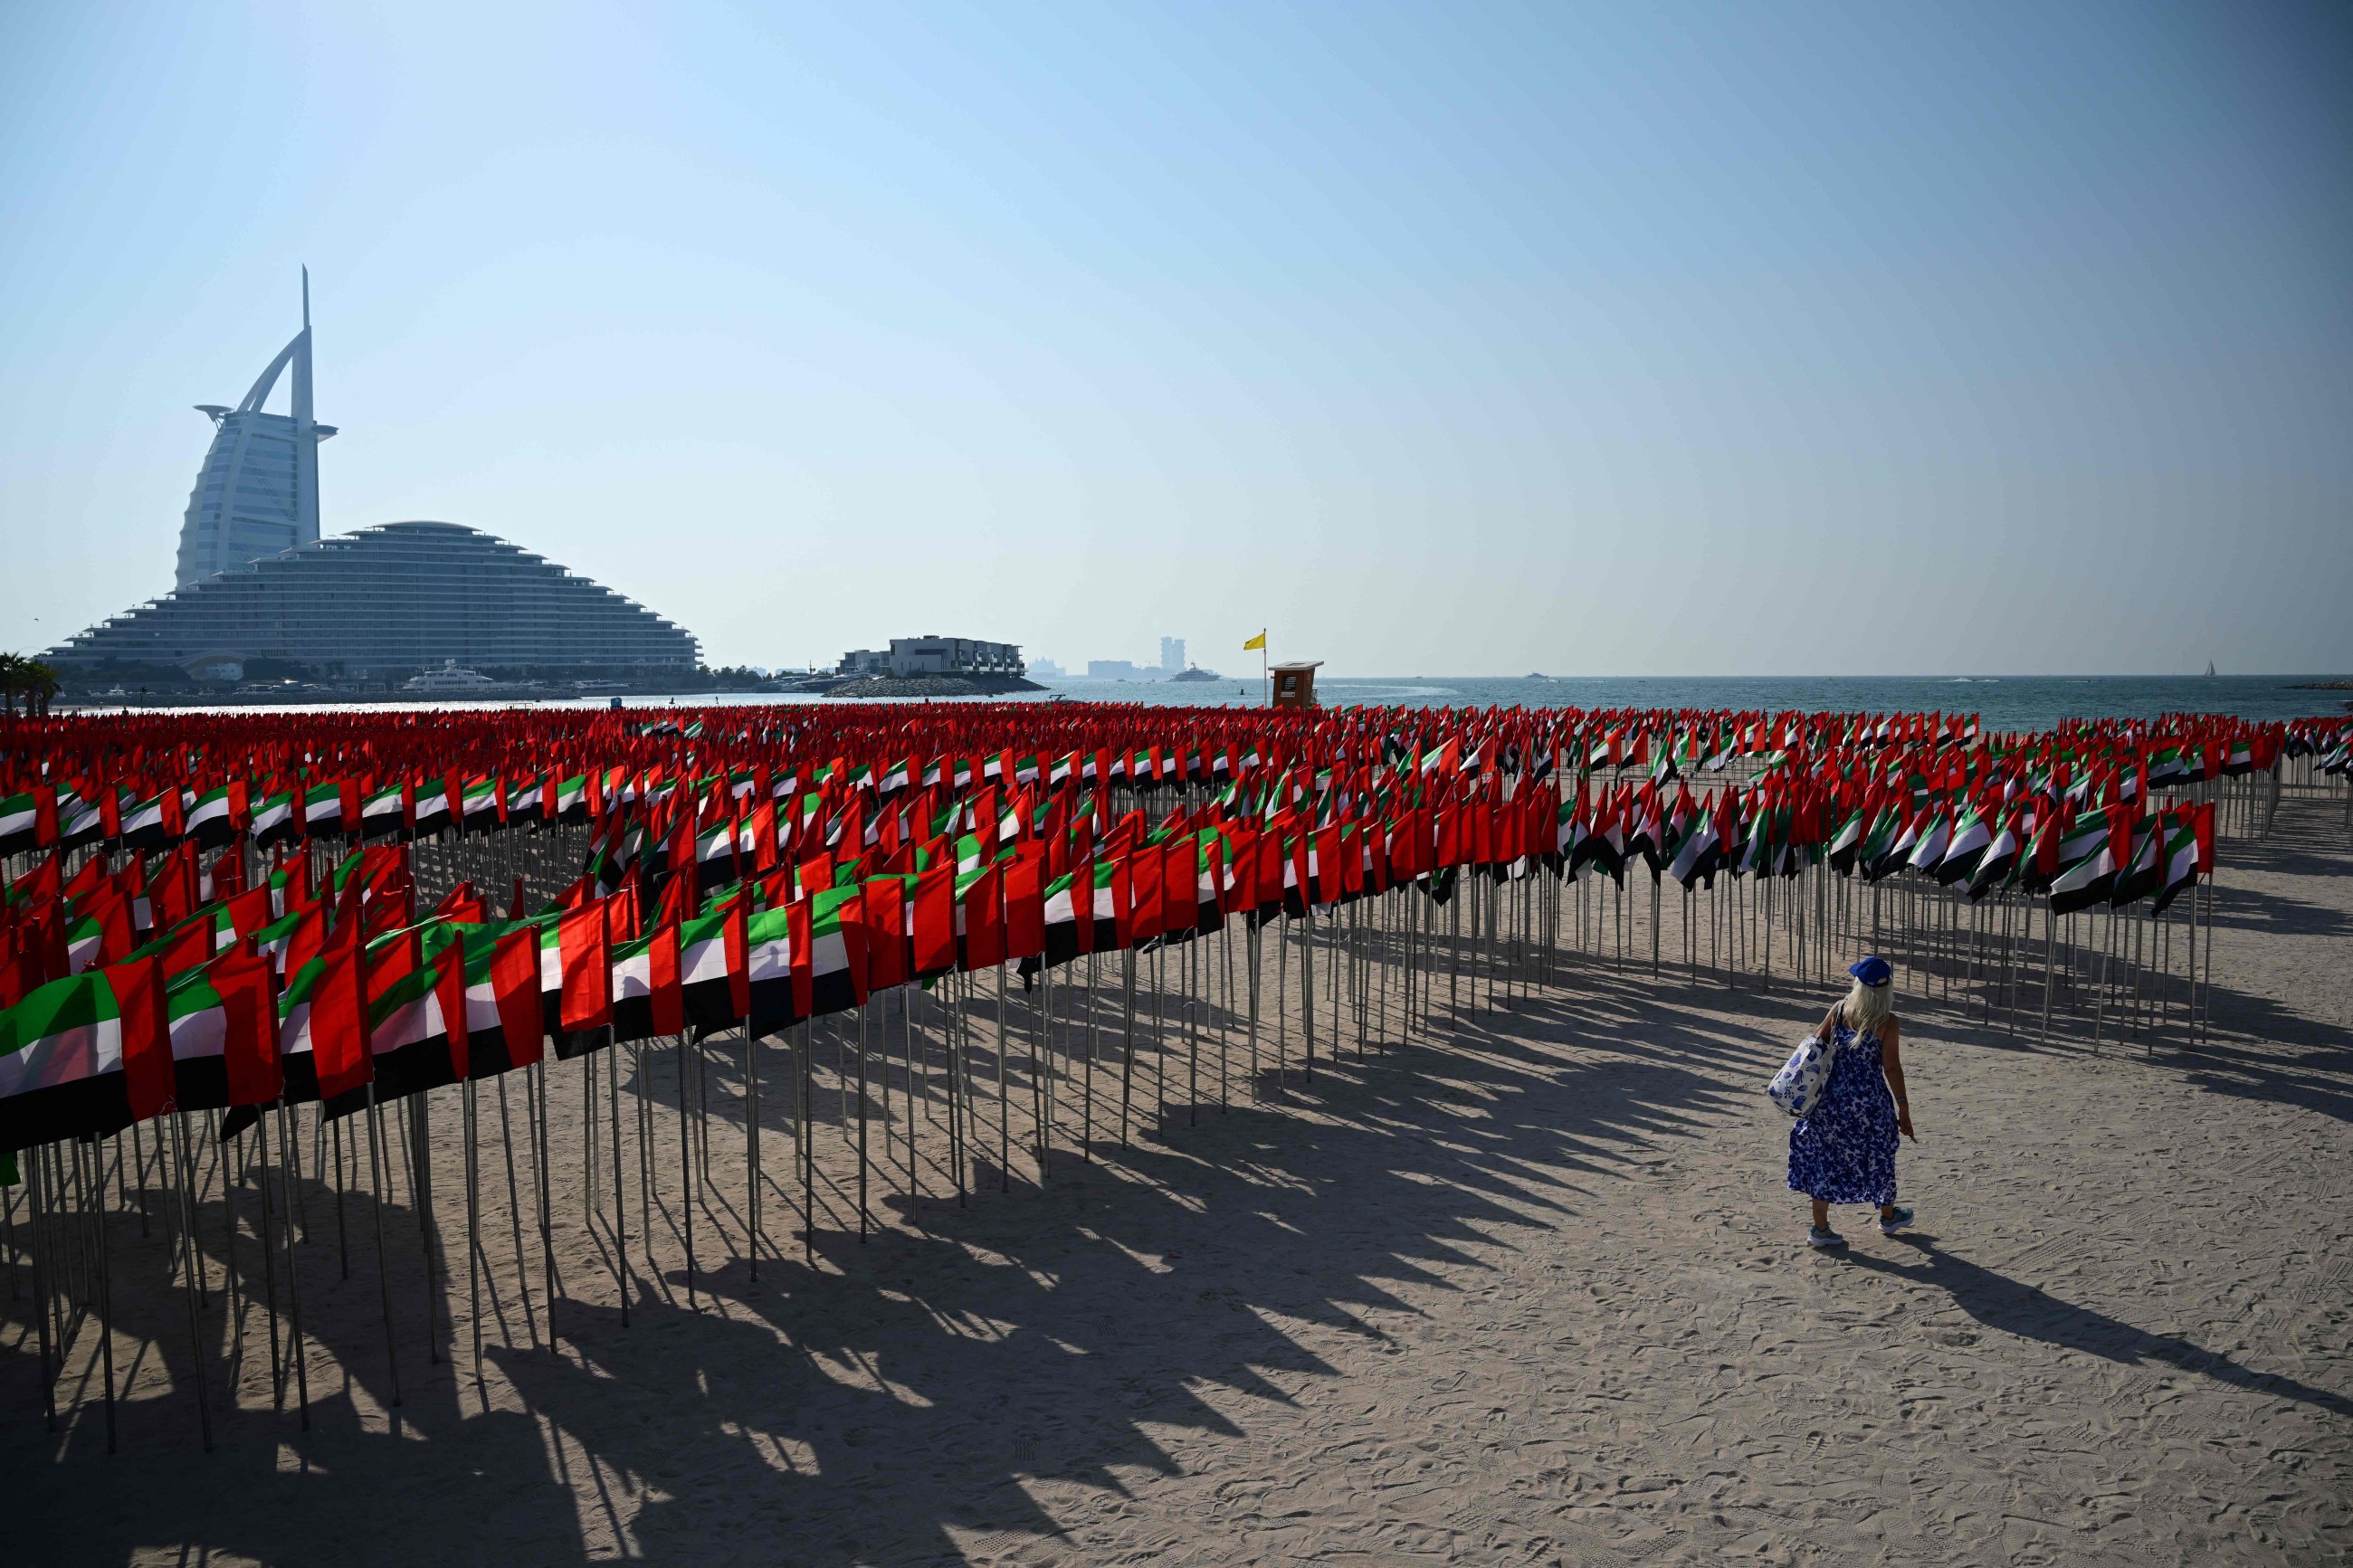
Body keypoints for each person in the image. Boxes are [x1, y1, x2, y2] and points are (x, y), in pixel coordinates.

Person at [1787, 955, 1916, 1248]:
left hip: (1831, 1101)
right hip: (1870, 1105)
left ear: (1858, 985)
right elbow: (1891, 1067)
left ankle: (1820, 1229)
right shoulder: (1887, 1022)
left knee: (1825, 1158)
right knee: (1880, 1154)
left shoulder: (1840, 1009)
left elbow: (1816, 1043)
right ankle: (1888, 1217)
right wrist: (1903, 1106)